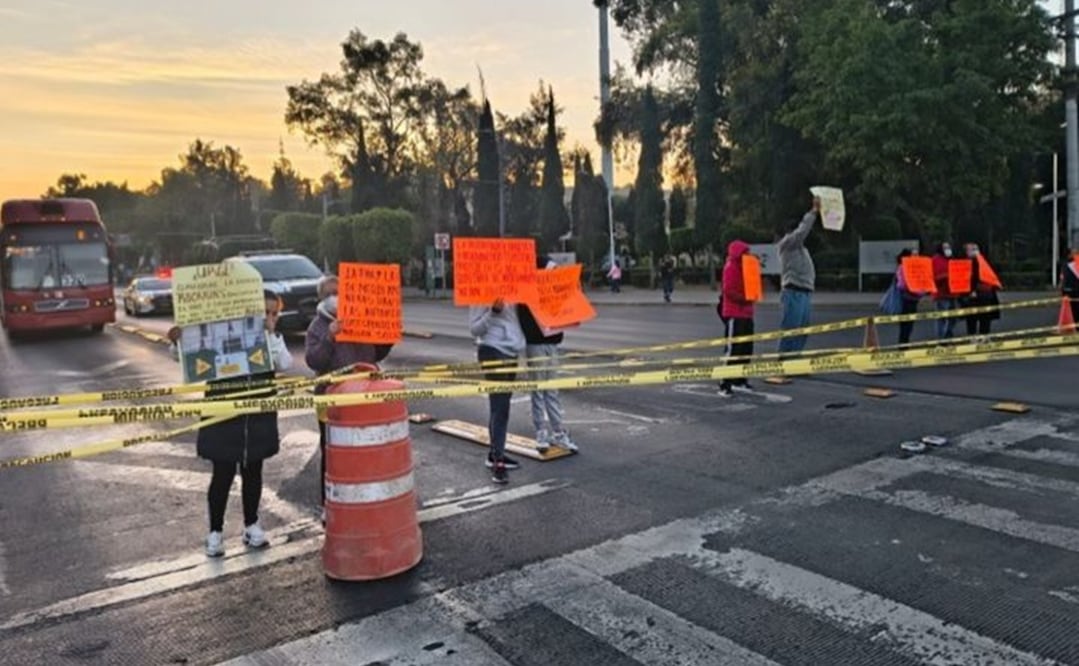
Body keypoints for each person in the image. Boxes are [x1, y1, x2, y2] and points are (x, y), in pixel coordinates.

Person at [169, 290, 293, 557]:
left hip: (257, 417)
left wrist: (270, 334)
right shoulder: (224, 333)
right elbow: (186, 358)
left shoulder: (271, 340)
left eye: (275, 313)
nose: (270, 318)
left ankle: (251, 524)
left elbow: (285, 363)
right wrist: (178, 341)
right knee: (222, 475)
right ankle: (215, 532)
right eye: (265, 313)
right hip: (224, 415)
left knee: (253, 472)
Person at [305, 275, 393, 518]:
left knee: (365, 447)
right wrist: (330, 336)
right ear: (321, 299)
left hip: (364, 396)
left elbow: (376, 353)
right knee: (332, 451)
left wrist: (388, 334)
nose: (335, 297)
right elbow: (314, 360)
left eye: (338, 291)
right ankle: (328, 503)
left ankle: (365, 496)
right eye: (329, 293)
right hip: (332, 400)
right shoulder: (317, 326)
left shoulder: (359, 317)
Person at [517, 257, 578, 454]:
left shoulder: (550, 289)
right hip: (536, 343)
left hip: (551, 343)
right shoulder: (527, 290)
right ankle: (542, 431)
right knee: (539, 389)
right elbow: (524, 317)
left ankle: (558, 431)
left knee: (551, 389)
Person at [470, 296, 526, 484]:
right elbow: (474, 329)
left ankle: (495, 453)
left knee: (503, 406)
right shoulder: (482, 291)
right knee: (499, 407)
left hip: (511, 351)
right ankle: (498, 461)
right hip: (492, 351)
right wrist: (492, 312)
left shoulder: (514, 290)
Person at [776, 196, 821, 354]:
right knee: (791, 328)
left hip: (805, 291)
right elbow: (801, 232)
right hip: (793, 290)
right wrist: (813, 211)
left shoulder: (801, 248)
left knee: (803, 329)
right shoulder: (787, 243)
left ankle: (794, 359)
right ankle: (783, 359)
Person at [718, 240, 756, 397]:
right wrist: (746, 298)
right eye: (745, 253)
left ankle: (740, 379)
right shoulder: (731, 267)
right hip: (735, 313)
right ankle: (724, 382)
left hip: (747, 312)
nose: (747, 255)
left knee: (746, 349)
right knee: (733, 350)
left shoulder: (746, 267)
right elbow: (729, 290)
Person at [960, 243, 1000, 337]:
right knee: (971, 317)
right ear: (966, 252)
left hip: (986, 293)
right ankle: (972, 336)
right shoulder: (963, 263)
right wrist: (970, 291)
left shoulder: (984, 261)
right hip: (972, 295)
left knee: (985, 316)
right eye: (972, 249)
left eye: (976, 248)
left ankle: (984, 336)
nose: (974, 251)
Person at [894, 249, 924, 344]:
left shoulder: (918, 267)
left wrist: (922, 291)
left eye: (917, 254)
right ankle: (903, 345)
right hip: (906, 299)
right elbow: (901, 285)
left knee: (909, 324)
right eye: (914, 254)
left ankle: (904, 343)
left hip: (914, 299)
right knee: (905, 324)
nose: (916, 256)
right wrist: (912, 287)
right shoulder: (902, 267)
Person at [931, 242, 959, 339]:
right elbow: (933, 276)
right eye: (945, 247)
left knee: (953, 317)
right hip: (941, 294)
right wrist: (945, 276)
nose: (948, 249)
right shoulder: (935, 260)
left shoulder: (951, 259)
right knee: (942, 318)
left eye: (949, 247)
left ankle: (948, 333)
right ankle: (941, 338)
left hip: (952, 293)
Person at [1061, 248, 1079, 324]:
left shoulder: (1066, 264)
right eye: (1075, 253)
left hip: (1069, 290)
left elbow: (1062, 277)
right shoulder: (1071, 264)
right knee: (1074, 309)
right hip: (1073, 290)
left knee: (1073, 309)